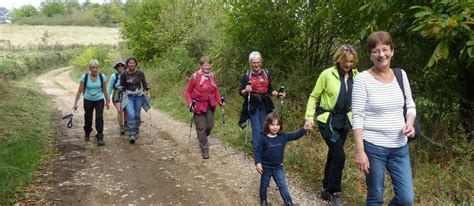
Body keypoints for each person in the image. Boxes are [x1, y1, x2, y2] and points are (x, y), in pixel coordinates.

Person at [352, 31, 416, 205]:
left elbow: (410, 105)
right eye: (376, 51)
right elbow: (357, 116)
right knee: (376, 197)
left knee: (406, 199)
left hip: (400, 148)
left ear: (392, 51)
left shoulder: (401, 75)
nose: (381, 55)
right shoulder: (362, 80)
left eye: (385, 49)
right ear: (370, 55)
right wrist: (360, 151)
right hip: (373, 147)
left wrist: (409, 123)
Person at [304, 44, 359, 205]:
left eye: (351, 61)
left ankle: (325, 189)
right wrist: (309, 117)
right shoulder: (327, 74)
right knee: (340, 156)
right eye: (345, 61)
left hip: (345, 121)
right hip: (327, 120)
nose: (348, 64)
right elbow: (314, 96)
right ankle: (335, 192)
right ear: (338, 59)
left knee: (334, 154)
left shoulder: (357, 75)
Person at [254, 112, 310, 206]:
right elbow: (258, 151)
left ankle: (288, 202)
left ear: (280, 126)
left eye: (277, 125)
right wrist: (258, 163)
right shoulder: (263, 138)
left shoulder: (283, 137)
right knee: (264, 185)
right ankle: (263, 200)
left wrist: (304, 129)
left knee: (282, 185)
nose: (275, 127)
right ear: (267, 125)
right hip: (266, 167)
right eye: (272, 125)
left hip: (278, 167)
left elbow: (295, 136)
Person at [238, 51, 285, 148]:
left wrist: (278, 94)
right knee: (256, 127)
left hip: (264, 104)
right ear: (250, 63)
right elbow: (241, 92)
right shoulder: (247, 75)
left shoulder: (266, 73)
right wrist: (246, 90)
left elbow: (270, 89)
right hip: (252, 104)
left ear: (261, 62)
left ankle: (262, 145)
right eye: (254, 63)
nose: (256, 65)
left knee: (264, 127)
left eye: (258, 62)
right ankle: (257, 150)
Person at [185, 56, 224, 159]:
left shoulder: (212, 76)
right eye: (204, 64)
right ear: (201, 65)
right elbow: (188, 92)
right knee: (201, 128)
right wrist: (190, 104)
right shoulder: (195, 76)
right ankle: (205, 149)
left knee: (210, 126)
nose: (207, 66)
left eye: (208, 64)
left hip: (209, 105)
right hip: (197, 105)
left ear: (211, 65)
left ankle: (202, 137)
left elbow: (215, 90)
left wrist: (219, 100)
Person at [72, 59, 110, 146]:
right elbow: (79, 91)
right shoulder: (84, 77)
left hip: (99, 99)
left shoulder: (102, 77)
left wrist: (107, 101)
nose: (95, 69)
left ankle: (100, 136)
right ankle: (87, 132)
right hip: (88, 99)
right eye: (93, 68)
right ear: (90, 68)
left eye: (97, 67)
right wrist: (75, 103)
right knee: (88, 117)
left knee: (99, 117)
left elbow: (104, 90)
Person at [119, 56, 150, 144]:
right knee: (131, 113)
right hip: (128, 96)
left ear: (136, 64)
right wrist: (120, 88)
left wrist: (147, 87)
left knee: (137, 114)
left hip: (139, 96)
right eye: (130, 63)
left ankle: (136, 130)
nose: (131, 64)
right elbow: (121, 85)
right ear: (127, 64)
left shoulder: (140, 73)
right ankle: (132, 133)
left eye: (133, 63)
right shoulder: (123, 74)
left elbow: (144, 86)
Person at [107, 60, 128, 135]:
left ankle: (126, 124)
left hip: (126, 92)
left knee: (126, 110)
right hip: (116, 92)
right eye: (118, 66)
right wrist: (107, 98)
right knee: (120, 110)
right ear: (116, 68)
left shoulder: (127, 74)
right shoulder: (114, 76)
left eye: (122, 65)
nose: (120, 67)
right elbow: (109, 87)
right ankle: (121, 126)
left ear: (124, 67)